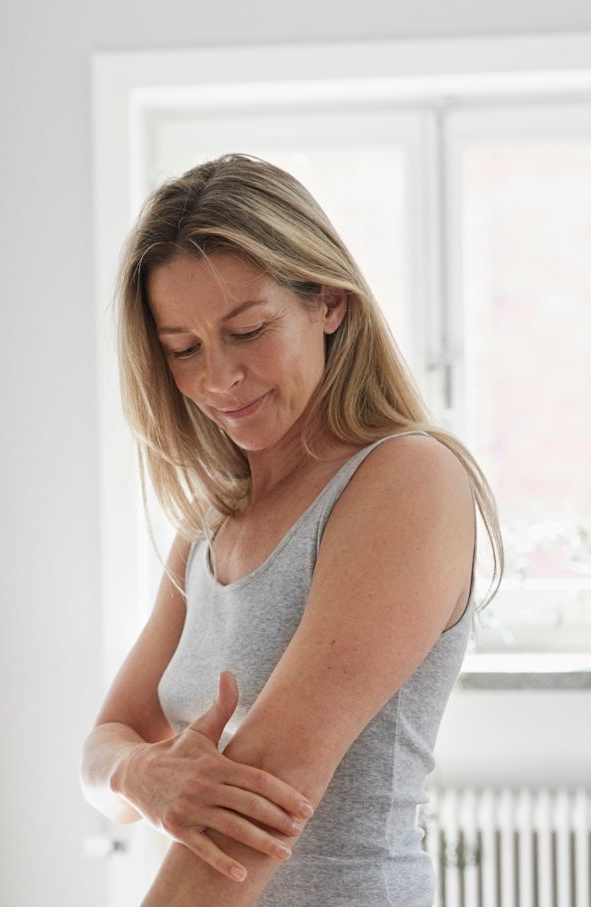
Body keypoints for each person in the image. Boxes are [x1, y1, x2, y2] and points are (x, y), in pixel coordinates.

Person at [78, 153, 503, 906]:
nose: (218, 378)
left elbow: (258, 806)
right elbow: (108, 743)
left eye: (247, 331)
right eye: (183, 349)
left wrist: (136, 770)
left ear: (328, 302)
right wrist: (139, 771)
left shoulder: (407, 478)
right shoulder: (211, 522)